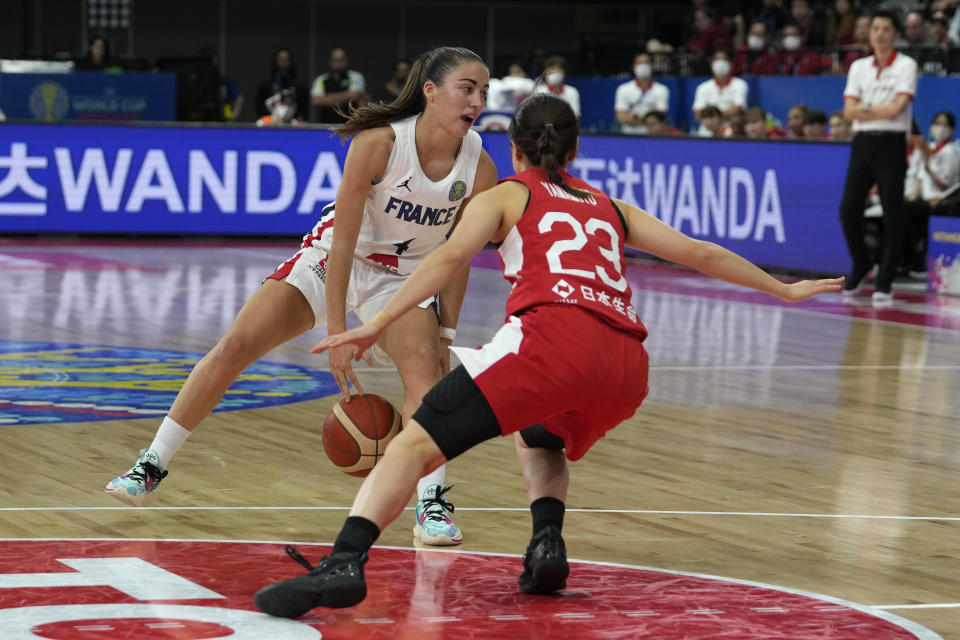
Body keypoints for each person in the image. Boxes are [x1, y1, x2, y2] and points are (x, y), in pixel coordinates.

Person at [251, 93, 841, 618]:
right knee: (541, 435)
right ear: (576, 149)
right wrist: (784, 289)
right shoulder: (611, 207)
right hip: (627, 364)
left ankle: (345, 561)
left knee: (413, 441)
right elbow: (699, 253)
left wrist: (375, 320)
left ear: (515, 150)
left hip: (552, 341)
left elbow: (447, 260)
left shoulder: (507, 194)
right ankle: (546, 545)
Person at [104, 46, 499, 548]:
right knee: (237, 343)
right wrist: (337, 332)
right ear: (431, 90)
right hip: (337, 255)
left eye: (483, 92)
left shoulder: (480, 166)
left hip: (404, 276)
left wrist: (446, 332)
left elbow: (458, 256)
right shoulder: (379, 143)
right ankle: (150, 466)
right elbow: (346, 242)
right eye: (468, 88)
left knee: (427, 371)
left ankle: (432, 504)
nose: (477, 101)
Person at [839, 10, 918, 306]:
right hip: (862, 142)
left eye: (886, 28)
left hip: (892, 143)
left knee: (892, 210)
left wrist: (865, 107)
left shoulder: (906, 65)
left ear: (895, 34)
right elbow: (848, 112)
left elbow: (898, 108)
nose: (880, 33)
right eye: (875, 28)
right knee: (848, 209)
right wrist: (875, 108)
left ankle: (886, 278)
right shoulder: (859, 67)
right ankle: (862, 264)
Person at [904, 111, 960, 273]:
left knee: (906, 211)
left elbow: (943, 184)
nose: (939, 127)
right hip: (924, 199)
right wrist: (911, 196)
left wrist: (929, 164)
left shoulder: (951, 151)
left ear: (952, 129)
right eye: (936, 123)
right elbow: (920, 179)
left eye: (943, 124)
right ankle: (910, 258)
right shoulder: (931, 147)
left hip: (940, 200)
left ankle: (917, 260)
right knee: (902, 208)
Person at [691, 51, 748, 135]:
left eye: (724, 59)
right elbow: (698, 114)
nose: (720, 63)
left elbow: (738, 109)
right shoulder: (702, 87)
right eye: (717, 59)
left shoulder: (740, 84)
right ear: (711, 64)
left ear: (731, 64)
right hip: (706, 132)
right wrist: (717, 119)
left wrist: (712, 117)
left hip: (730, 130)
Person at [614, 53, 670, 134]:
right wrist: (647, 119)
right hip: (628, 135)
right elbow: (620, 117)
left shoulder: (662, 90)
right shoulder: (623, 89)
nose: (643, 66)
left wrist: (634, 117)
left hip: (652, 136)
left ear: (652, 66)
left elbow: (659, 117)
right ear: (634, 66)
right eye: (639, 63)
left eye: (646, 63)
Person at [311, 47, 368, 124]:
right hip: (326, 126)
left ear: (347, 60)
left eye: (342, 60)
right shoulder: (321, 79)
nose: (339, 63)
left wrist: (327, 97)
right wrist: (346, 96)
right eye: (336, 60)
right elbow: (316, 100)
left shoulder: (355, 76)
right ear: (330, 61)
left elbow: (355, 95)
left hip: (350, 125)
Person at [255, 48, 309, 122]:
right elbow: (259, 105)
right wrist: (273, 117)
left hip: (293, 124)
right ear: (275, 61)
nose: (283, 61)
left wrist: (297, 118)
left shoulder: (299, 86)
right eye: (280, 59)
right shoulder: (266, 85)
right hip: (271, 123)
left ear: (291, 61)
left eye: (286, 59)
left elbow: (305, 107)